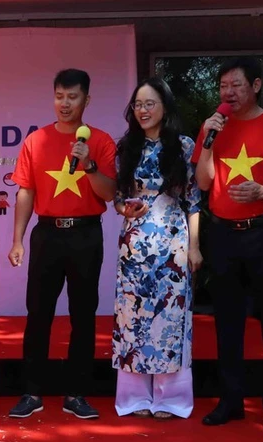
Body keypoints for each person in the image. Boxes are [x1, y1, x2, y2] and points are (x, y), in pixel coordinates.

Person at [194, 57, 263, 434]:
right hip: (223, 233)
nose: (228, 93)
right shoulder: (212, 128)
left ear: (256, 86)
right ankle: (230, 400)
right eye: (223, 86)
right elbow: (204, 184)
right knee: (227, 320)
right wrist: (207, 142)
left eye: (236, 85)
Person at [7, 69, 117, 420]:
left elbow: (109, 193)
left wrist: (88, 165)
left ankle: (77, 393)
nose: (64, 104)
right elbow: (26, 191)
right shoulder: (36, 140)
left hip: (85, 234)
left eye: (72, 97)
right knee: (38, 314)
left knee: (83, 316)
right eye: (59, 96)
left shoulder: (100, 141)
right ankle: (32, 391)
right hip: (47, 234)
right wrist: (17, 240)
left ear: (87, 99)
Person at [111, 78, 202, 420]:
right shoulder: (127, 147)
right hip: (135, 241)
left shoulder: (183, 145)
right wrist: (125, 210)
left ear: (165, 107)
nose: (143, 110)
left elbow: (193, 201)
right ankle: (134, 398)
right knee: (132, 316)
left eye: (150, 104)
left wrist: (194, 248)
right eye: (138, 104)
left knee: (169, 316)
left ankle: (170, 399)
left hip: (173, 240)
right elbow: (118, 199)